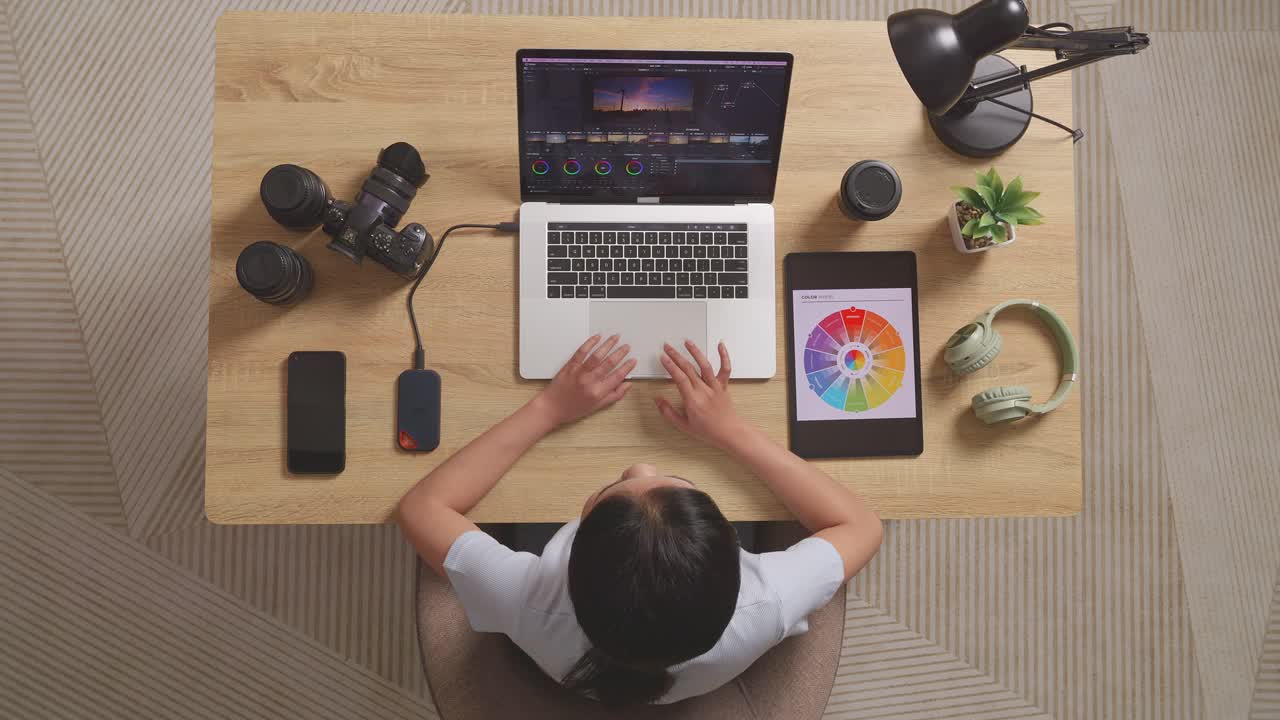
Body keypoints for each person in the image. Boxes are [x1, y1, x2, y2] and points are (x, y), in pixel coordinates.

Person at [397, 335, 883, 707]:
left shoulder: (528, 601)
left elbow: (422, 509)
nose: (640, 467)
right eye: (675, 481)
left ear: (568, 563)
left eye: (613, 490)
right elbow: (862, 527)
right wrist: (734, 433)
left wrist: (548, 407)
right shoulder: (764, 603)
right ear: (732, 552)